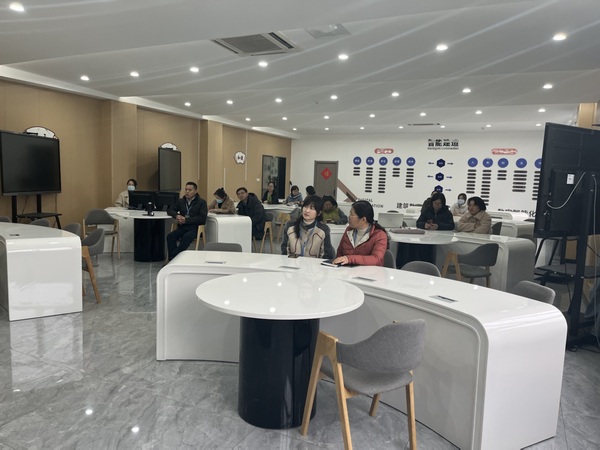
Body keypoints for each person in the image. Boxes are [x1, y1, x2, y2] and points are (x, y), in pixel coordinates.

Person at [332, 200, 388, 266]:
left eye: (352, 214)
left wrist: (349, 259)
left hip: (370, 271)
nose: (349, 217)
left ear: (363, 219)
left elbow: (376, 259)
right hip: (347, 271)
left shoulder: (379, 235)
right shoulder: (348, 230)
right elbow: (340, 253)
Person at [166, 182, 208, 260]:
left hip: (195, 227)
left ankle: (173, 258)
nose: (187, 192)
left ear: (195, 191)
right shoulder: (181, 201)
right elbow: (170, 210)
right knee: (170, 237)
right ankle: (175, 259)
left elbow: (202, 218)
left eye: (190, 190)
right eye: (186, 189)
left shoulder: (202, 202)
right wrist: (176, 215)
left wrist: (186, 220)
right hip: (182, 227)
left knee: (186, 238)